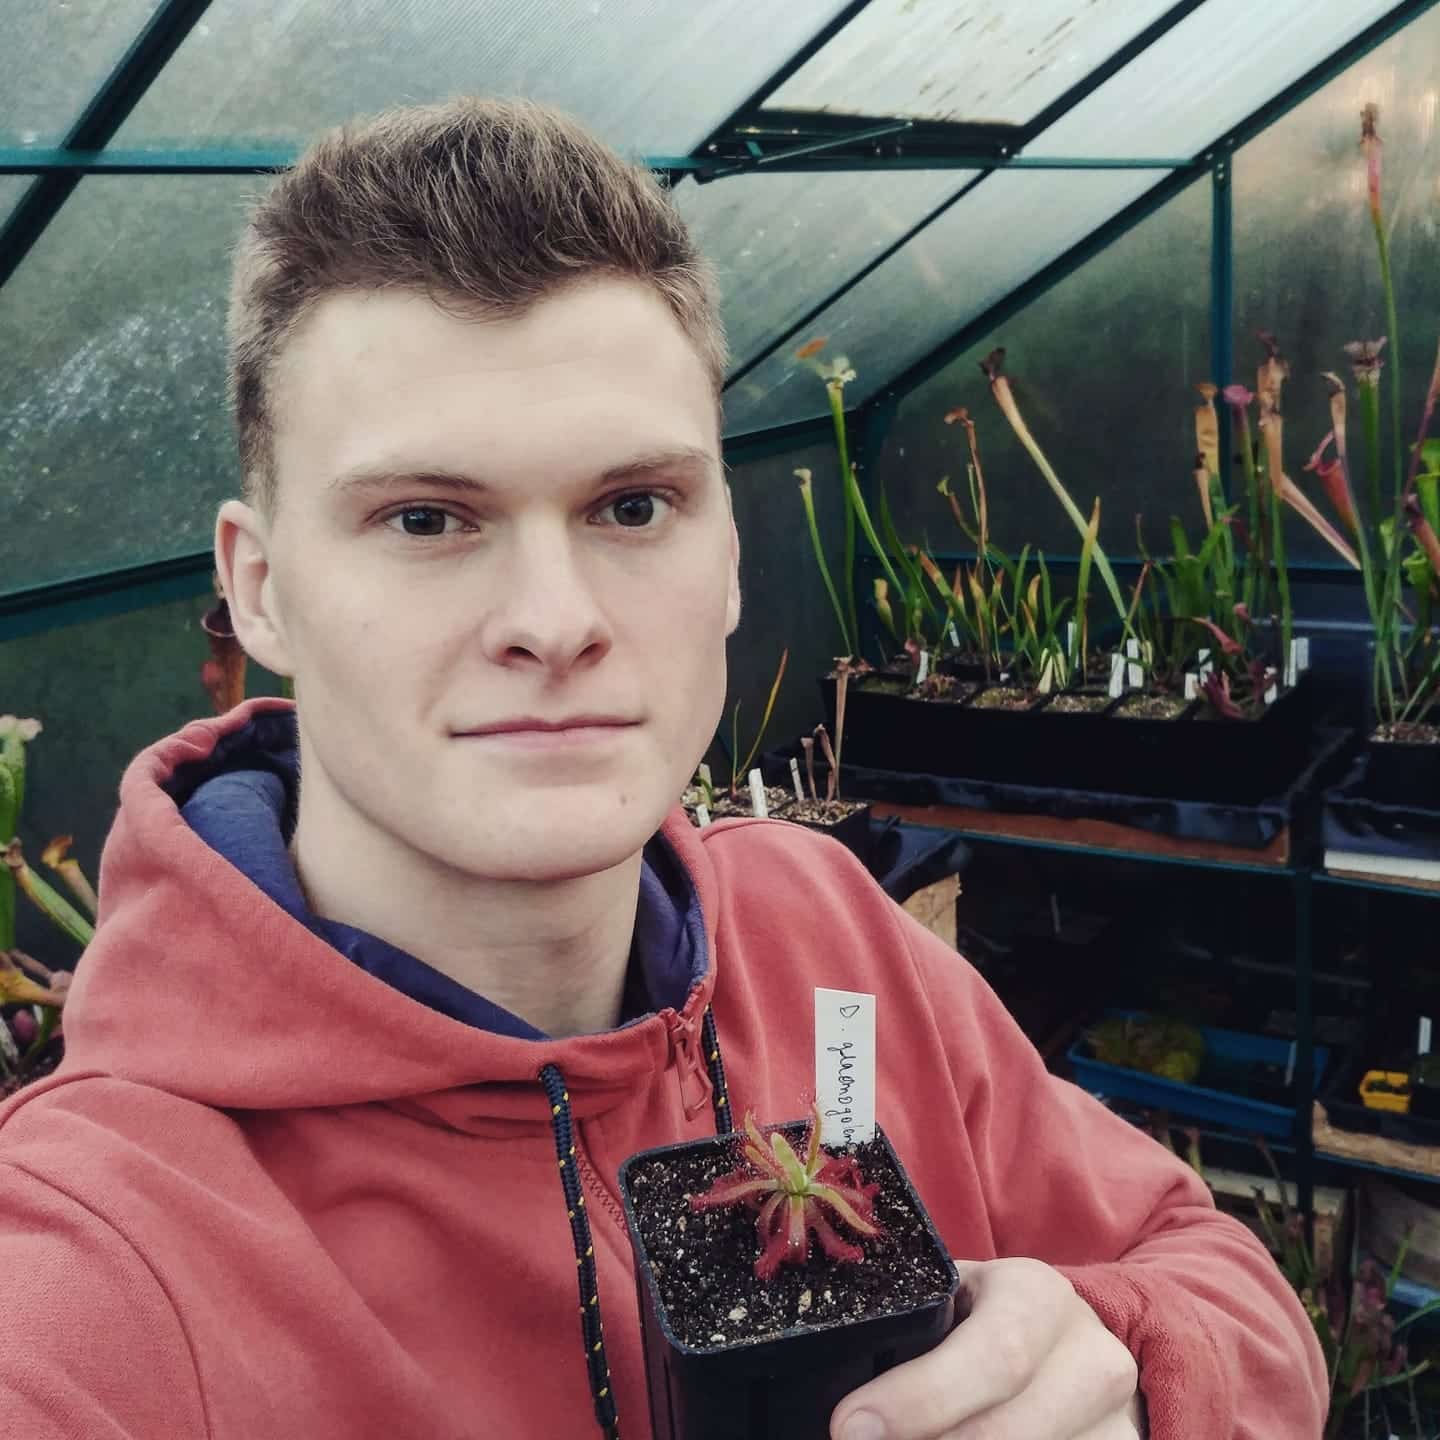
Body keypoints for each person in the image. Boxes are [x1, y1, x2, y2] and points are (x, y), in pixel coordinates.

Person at [1, 98, 1324, 1440]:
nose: (556, 616)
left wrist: (1129, 1369)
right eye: (425, 518)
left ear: (731, 554)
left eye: (633, 506)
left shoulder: (819, 925)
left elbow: (1228, 1290)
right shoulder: (110, 1253)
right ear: (261, 589)